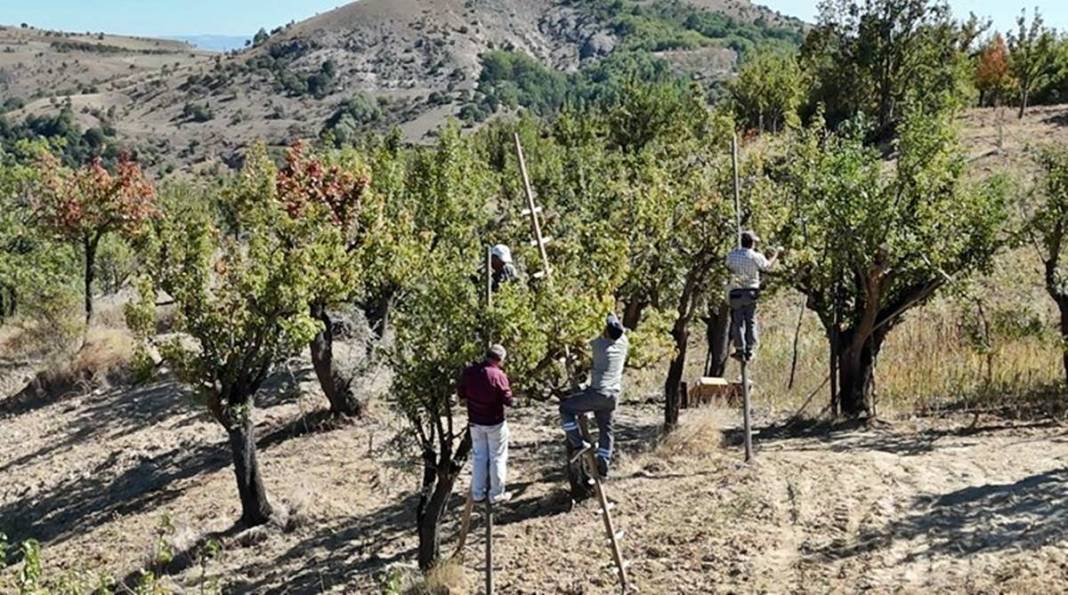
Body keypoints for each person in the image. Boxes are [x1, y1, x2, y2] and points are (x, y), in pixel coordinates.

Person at [559, 314, 629, 478]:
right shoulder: (623, 343)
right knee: (607, 430)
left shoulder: (599, 345)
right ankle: (603, 465)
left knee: (565, 409)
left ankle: (577, 444)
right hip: (613, 396)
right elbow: (618, 330)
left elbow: (581, 340)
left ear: (606, 331)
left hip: (598, 393)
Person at [459, 344, 514, 504]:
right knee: (497, 457)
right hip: (494, 422)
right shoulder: (498, 375)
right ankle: (496, 494)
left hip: (475, 422)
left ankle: (477, 493)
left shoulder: (469, 372)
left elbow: (461, 393)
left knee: (479, 457)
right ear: (500, 359)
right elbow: (508, 400)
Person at [725, 231, 779, 362]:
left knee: (737, 322)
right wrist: (776, 254)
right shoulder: (756, 256)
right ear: (752, 243)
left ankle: (739, 349)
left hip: (736, 291)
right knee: (750, 321)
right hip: (751, 292)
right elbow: (767, 266)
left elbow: (728, 265)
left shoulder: (732, 255)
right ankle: (749, 349)